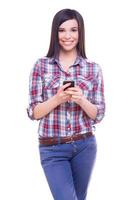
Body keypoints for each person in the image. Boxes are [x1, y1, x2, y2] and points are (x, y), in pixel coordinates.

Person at [27, 8, 105, 200]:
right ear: (55, 33)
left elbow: (99, 114)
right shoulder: (41, 65)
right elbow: (33, 112)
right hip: (52, 148)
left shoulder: (93, 68)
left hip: (85, 146)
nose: (68, 36)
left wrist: (81, 99)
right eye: (62, 30)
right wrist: (56, 99)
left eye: (73, 30)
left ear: (80, 33)